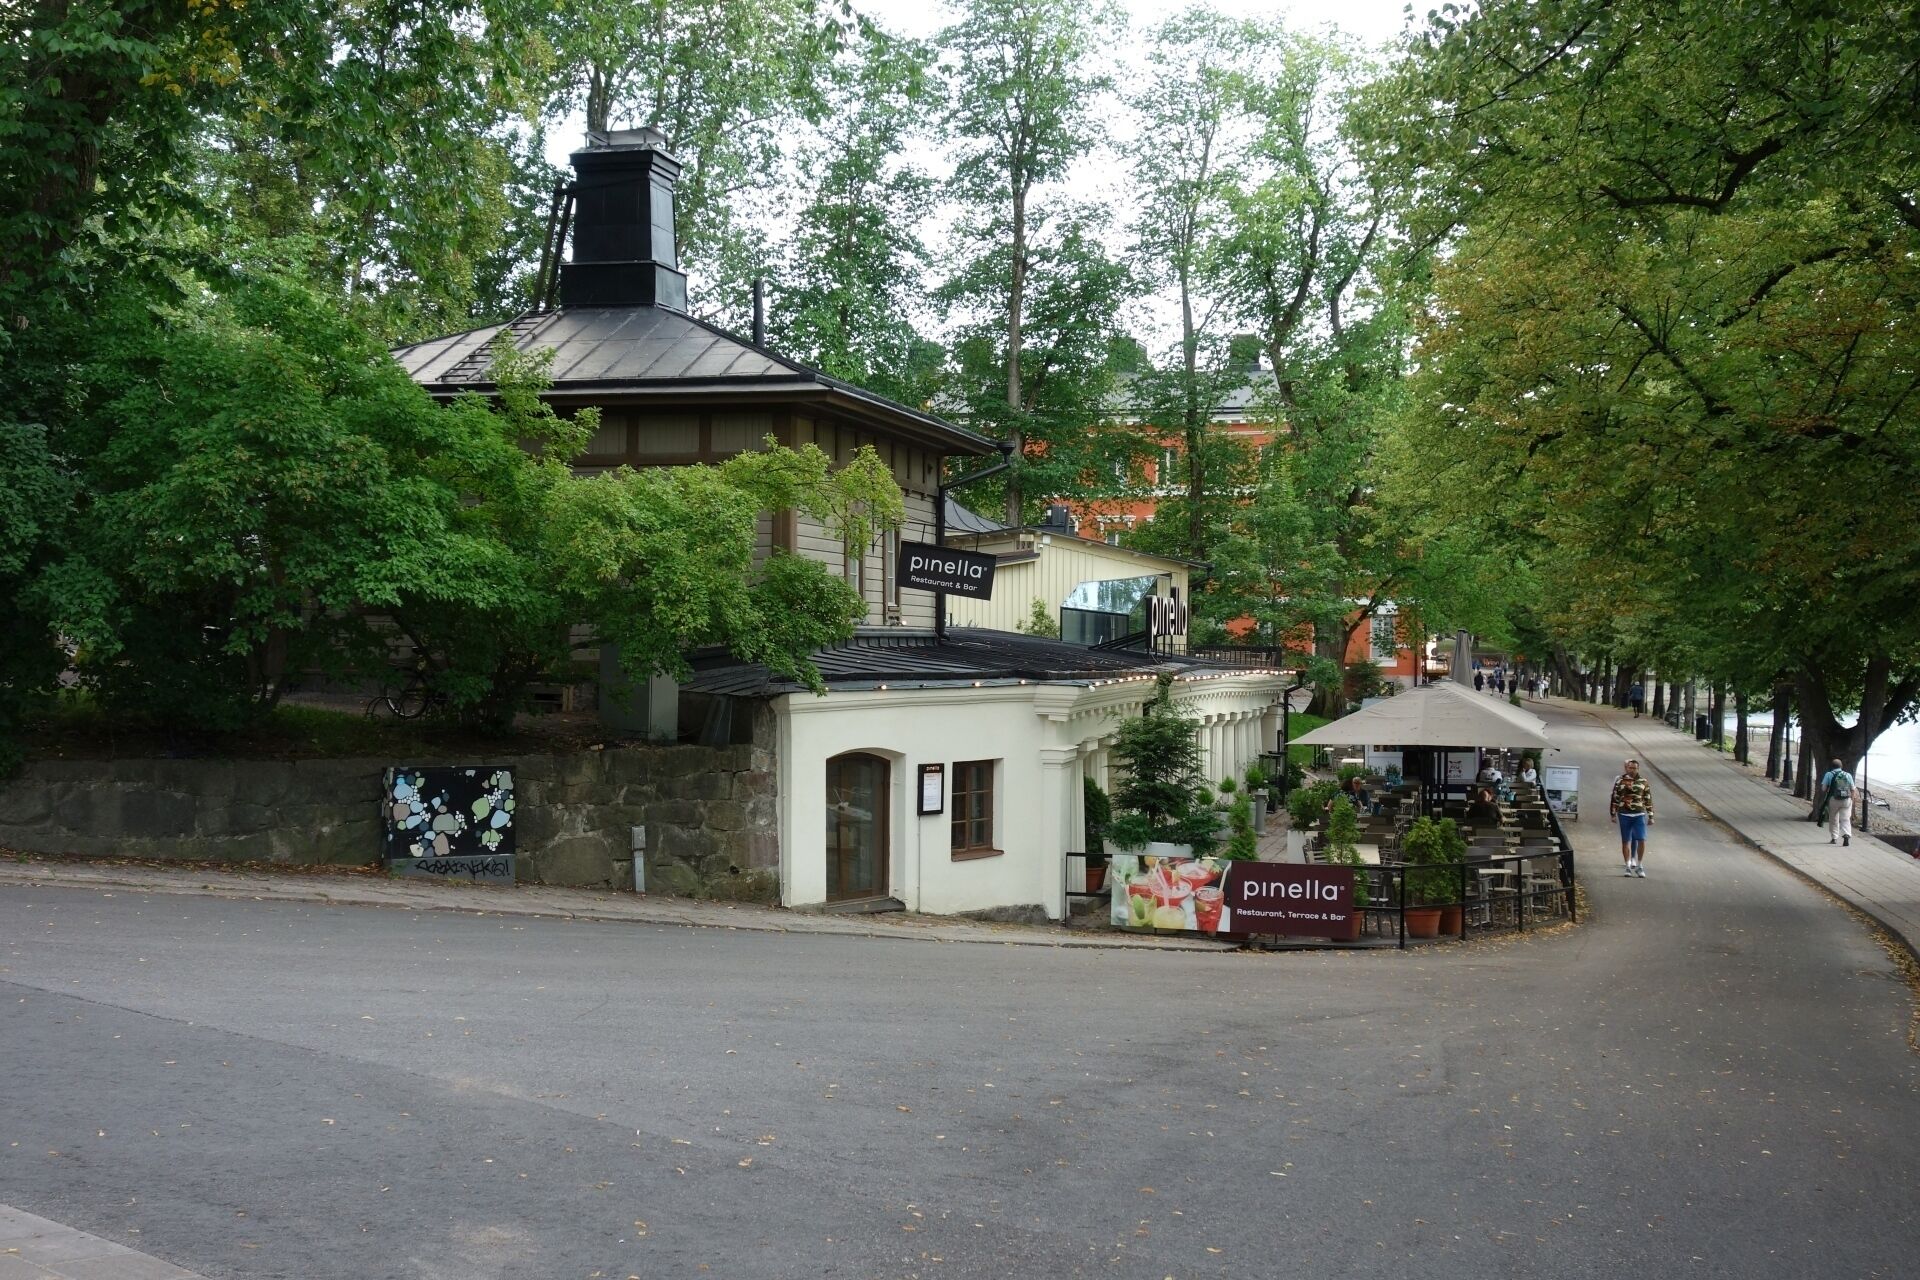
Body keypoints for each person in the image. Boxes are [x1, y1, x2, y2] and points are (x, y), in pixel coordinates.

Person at [1608, 758, 1655, 877]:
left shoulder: (1643, 782)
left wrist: (1651, 816)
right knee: (1626, 840)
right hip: (1624, 814)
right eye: (1630, 768)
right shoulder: (1620, 781)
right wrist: (1613, 814)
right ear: (1626, 768)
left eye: (1634, 768)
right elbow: (1615, 798)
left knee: (1641, 839)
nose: (1632, 770)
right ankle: (1628, 866)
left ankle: (1639, 865)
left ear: (1638, 769)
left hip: (1639, 814)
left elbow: (1648, 799)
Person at [1819, 757, 1856, 847]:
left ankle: (1834, 837)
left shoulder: (1829, 774)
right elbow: (1852, 789)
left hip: (1834, 799)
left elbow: (1823, 789)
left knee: (1833, 818)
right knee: (1845, 818)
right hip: (1846, 800)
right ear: (1841, 766)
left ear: (1832, 766)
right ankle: (1846, 834)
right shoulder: (1847, 775)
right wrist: (1851, 800)